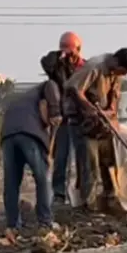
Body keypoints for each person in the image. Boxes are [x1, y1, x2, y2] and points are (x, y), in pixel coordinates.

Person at [63, 48, 127, 210]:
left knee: (109, 158)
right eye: (123, 71)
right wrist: (90, 109)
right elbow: (74, 89)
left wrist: (111, 111)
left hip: (103, 123)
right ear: (117, 62)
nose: (123, 75)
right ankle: (87, 203)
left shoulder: (116, 73)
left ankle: (110, 196)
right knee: (89, 164)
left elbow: (115, 96)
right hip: (82, 122)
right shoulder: (94, 67)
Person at [0, 78, 62, 234]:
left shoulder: (26, 97)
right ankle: (45, 222)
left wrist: (48, 149)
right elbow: (51, 84)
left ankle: (13, 225)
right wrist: (55, 111)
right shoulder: (50, 87)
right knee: (43, 178)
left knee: (11, 182)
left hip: (8, 133)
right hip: (29, 132)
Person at [40, 32, 86, 202]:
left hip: (81, 119)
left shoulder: (86, 68)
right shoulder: (57, 66)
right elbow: (46, 63)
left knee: (81, 159)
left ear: (79, 49)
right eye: (63, 50)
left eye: (71, 50)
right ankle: (58, 194)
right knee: (60, 158)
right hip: (63, 121)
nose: (68, 55)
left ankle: (80, 192)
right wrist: (60, 54)